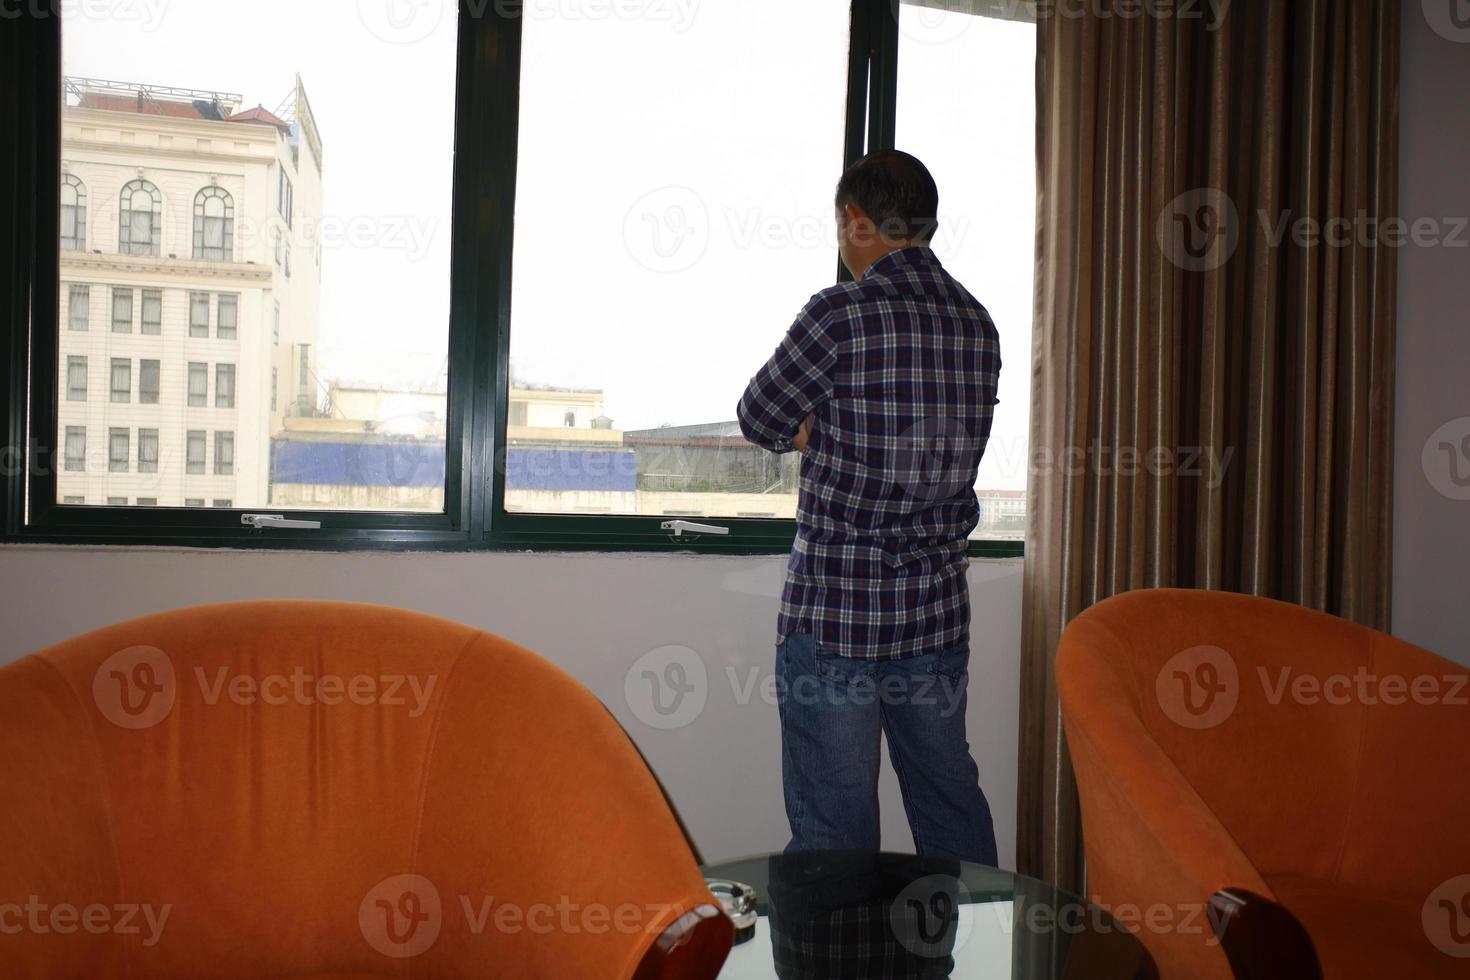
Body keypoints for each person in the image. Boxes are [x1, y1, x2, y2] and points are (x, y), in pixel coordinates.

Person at [736, 149, 1001, 866]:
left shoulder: (840, 314)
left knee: (837, 824)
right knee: (949, 801)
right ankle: (977, 953)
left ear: (856, 219)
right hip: (936, 610)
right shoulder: (978, 324)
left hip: (838, 617)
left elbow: (759, 416)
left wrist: (817, 423)